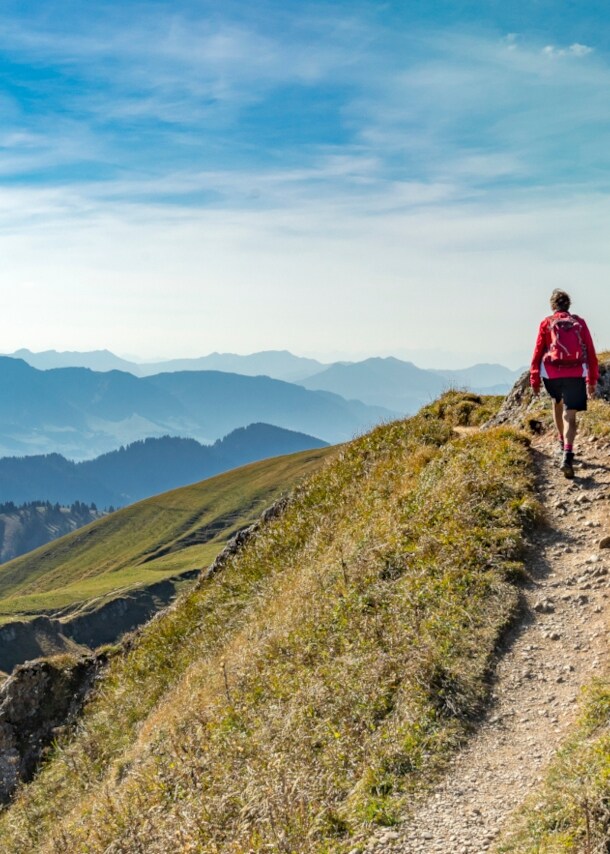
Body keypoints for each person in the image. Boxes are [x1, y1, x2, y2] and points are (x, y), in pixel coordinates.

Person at [530, 289, 598, 479]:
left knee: (557, 403)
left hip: (551, 374)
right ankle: (568, 453)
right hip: (575, 373)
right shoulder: (579, 323)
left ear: (553, 306)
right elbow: (591, 352)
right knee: (571, 416)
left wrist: (534, 378)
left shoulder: (547, 323)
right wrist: (591, 380)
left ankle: (561, 441)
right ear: (568, 305)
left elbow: (537, 352)